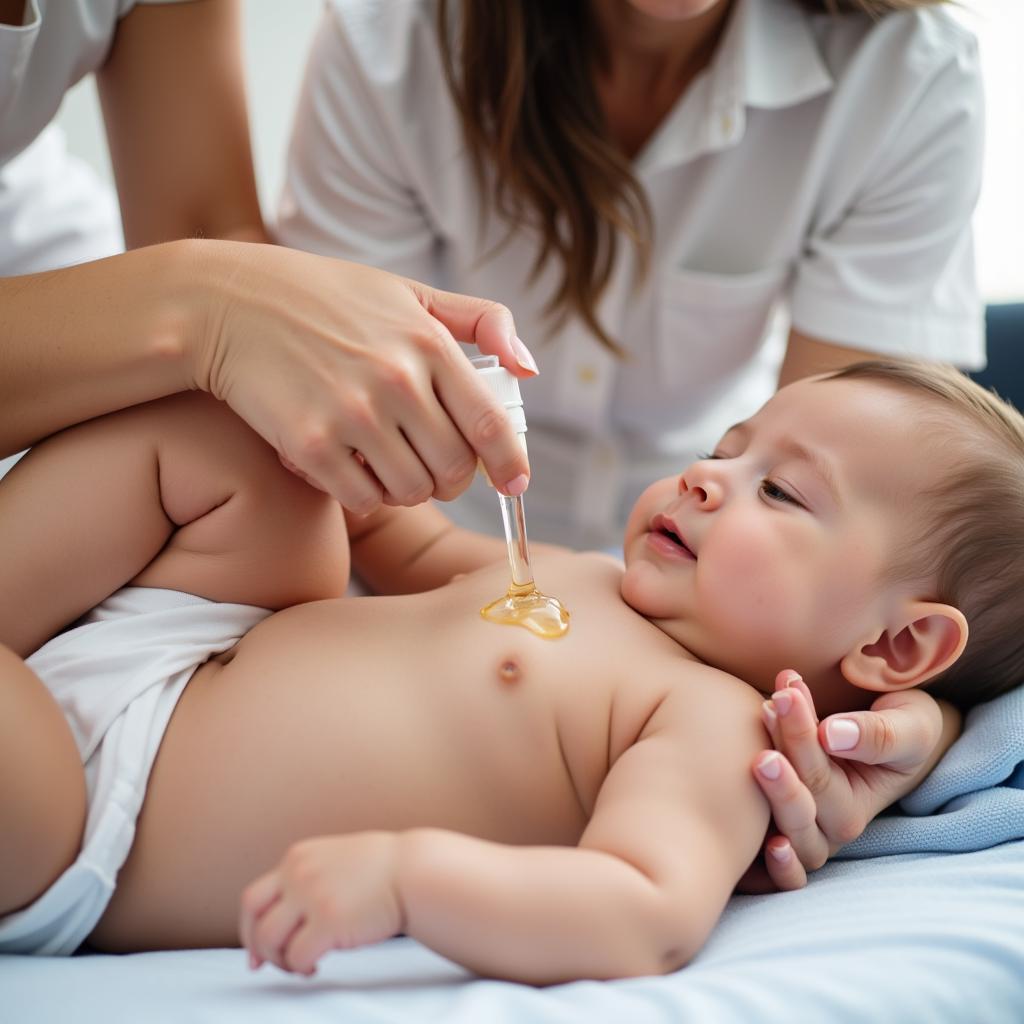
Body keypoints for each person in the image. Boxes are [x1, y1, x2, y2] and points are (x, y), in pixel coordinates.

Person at [2, 357, 1012, 983]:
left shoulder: (711, 726)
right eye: (726, 448)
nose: (707, 476)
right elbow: (405, 546)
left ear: (894, 647)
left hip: (90, 816)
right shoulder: (593, 577)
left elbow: (643, 907)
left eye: (780, 492)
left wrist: (410, 880)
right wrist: (349, 443)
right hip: (179, 637)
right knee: (223, 440)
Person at [277, 0, 985, 549]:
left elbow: (844, 507)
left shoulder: (908, 73)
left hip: (709, 561)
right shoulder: (396, 39)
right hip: (415, 531)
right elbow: (343, 408)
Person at [0, 0, 536, 508]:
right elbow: (213, 281)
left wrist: (436, 553)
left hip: (63, 274)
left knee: (256, 488)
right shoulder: (389, 43)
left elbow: (204, 226)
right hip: (96, 315)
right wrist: (211, 304)